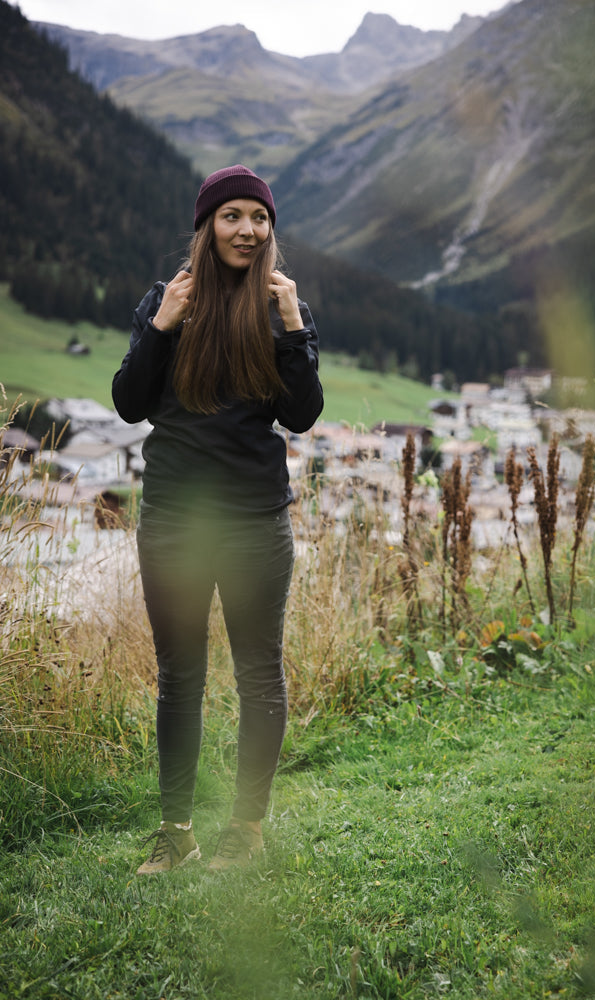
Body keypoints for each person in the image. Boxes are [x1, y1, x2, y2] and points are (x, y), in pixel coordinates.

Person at [112, 164, 324, 874]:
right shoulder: (164, 301)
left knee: (259, 675)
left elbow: (301, 414)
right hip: (172, 519)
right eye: (231, 215)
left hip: (254, 522)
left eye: (259, 217)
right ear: (206, 226)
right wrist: (162, 327)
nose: (247, 229)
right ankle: (177, 832)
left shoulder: (278, 312)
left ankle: (246, 830)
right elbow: (130, 403)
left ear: (270, 230)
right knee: (180, 677)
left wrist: (293, 324)